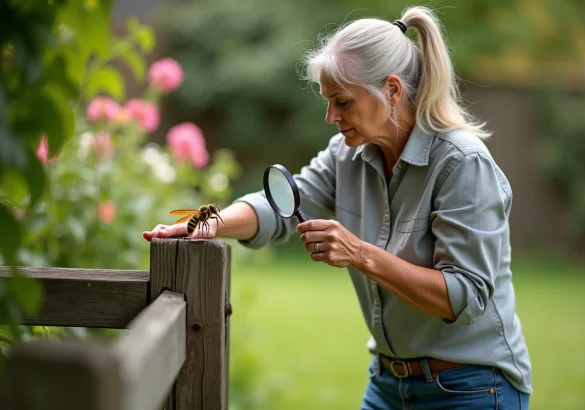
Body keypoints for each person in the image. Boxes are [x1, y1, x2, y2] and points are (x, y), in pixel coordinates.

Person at [143, 5, 532, 409]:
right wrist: (207, 224)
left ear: (393, 90)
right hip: (387, 383)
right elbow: (283, 203)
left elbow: (464, 297)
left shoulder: (461, 163)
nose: (331, 116)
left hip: (470, 388)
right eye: (329, 102)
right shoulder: (348, 155)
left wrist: (360, 253)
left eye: (343, 102)